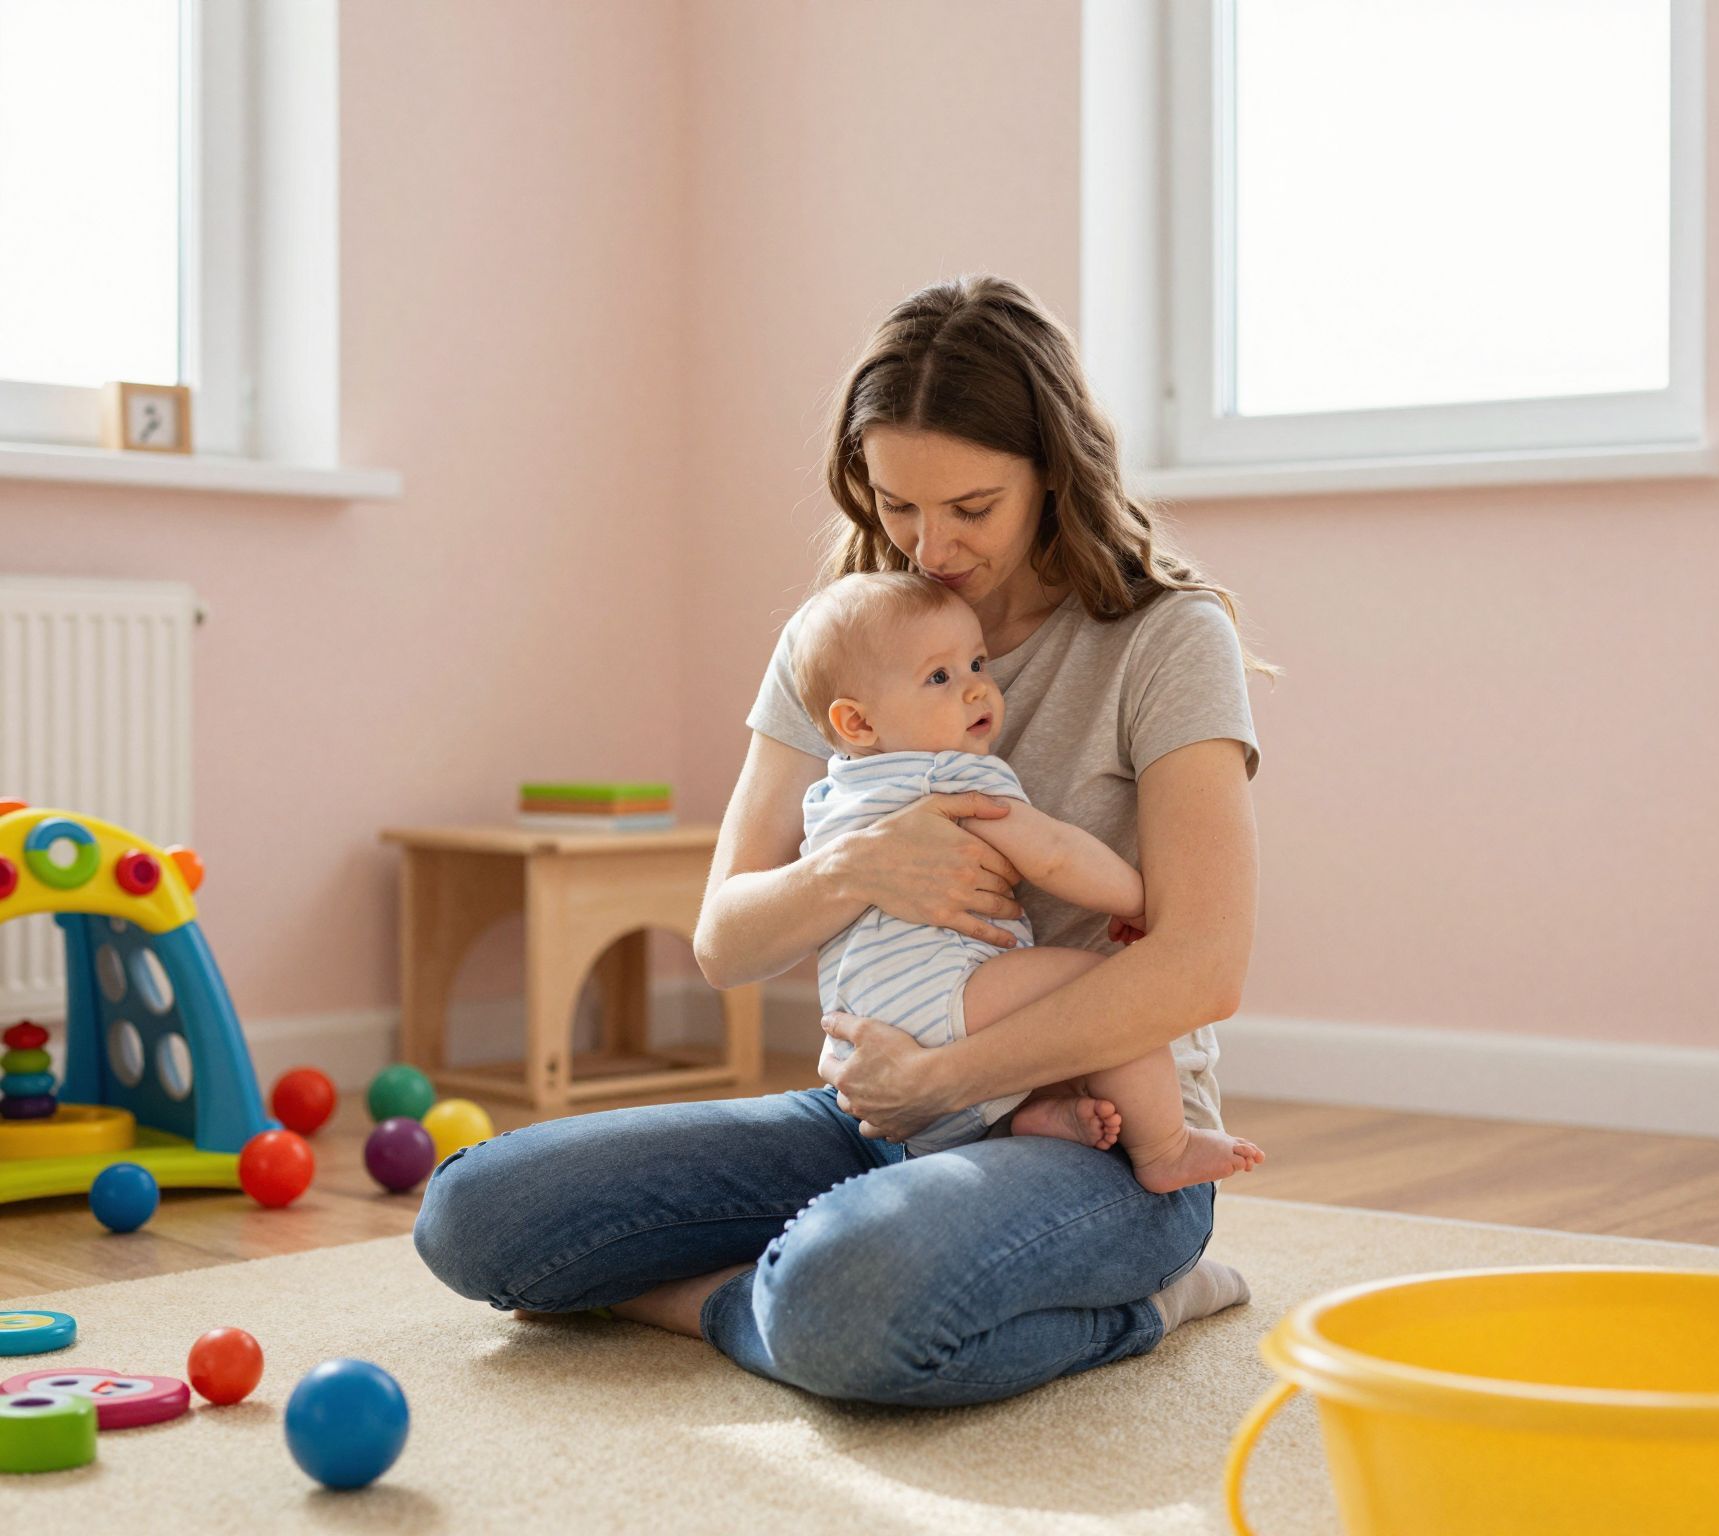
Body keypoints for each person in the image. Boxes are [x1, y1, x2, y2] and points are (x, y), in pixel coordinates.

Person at [412, 273, 1273, 1407]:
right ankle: (789, 1286)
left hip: (1099, 1135)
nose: (929, 546)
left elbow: (1202, 964)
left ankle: (1138, 1297)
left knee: (848, 1299)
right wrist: (853, 868)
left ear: (1052, 472)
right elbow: (724, 939)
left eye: (971, 507)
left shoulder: (1166, 638)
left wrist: (942, 1078)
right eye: (896, 505)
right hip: (871, 1112)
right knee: (477, 1215)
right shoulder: (844, 641)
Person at [789, 568, 1266, 1186]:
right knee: (1107, 995)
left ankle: (1032, 1120)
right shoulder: (950, 775)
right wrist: (1137, 899)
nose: (976, 690)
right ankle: (1166, 1148)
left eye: (978, 664)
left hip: (867, 1042)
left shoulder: (833, 796)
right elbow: (1054, 855)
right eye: (940, 677)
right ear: (857, 722)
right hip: (945, 994)